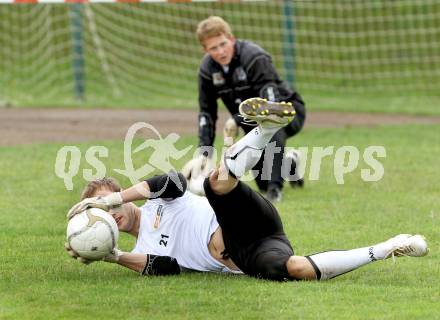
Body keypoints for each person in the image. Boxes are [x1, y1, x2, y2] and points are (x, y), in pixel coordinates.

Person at [66, 98, 428, 281]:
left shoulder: (159, 200)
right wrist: (111, 255)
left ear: (116, 197)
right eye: (99, 212)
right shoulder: (141, 249)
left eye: (105, 203)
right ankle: (389, 247)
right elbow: (166, 268)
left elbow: (171, 181)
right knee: (296, 269)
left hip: (239, 218)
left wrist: (116, 196)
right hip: (254, 247)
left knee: (213, 185)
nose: (108, 213)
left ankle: (268, 128)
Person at [193, 16, 307, 202]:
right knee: (262, 181)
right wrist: (204, 155)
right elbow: (206, 113)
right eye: (213, 48)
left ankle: (275, 191)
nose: (221, 51)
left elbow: (271, 107)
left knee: (272, 126)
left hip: (286, 110)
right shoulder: (207, 70)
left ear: (231, 38)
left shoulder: (254, 56)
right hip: (251, 120)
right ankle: (290, 163)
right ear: (205, 50)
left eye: (223, 44)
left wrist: (236, 120)